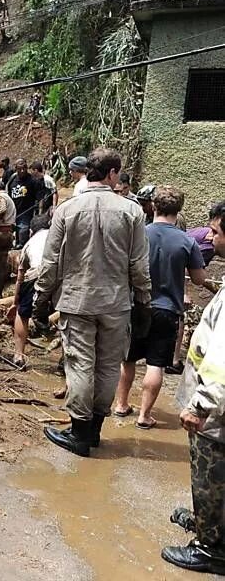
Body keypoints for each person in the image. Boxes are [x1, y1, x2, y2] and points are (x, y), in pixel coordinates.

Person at [36, 147, 150, 457]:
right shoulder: (132, 212)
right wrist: (143, 301)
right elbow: (139, 264)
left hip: (77, 301)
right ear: (113, 174)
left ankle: (80, 434)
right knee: (109, 366)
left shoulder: (67, 210)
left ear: (88, 172)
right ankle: (95, 431)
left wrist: (40, 300)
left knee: (80, 365)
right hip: (117, 303)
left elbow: (50, 263)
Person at [114, 186, 218, 429]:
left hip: (136, 304)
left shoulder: (139, 234)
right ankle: (144, 416)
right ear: (178, 209)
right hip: (168, 308)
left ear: (153, 205)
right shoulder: (187, 241)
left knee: (127, 360)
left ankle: (121, 404)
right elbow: (200, 278)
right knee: (156, 363)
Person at [161, 202, 225, 575]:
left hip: (216, 410)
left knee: (210, 475)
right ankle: (209, 524)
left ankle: (211, 546)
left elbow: (222, 360)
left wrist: (200, 404)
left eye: (216, 231)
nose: (210, 237)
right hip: (216, 402)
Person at [10, 214, 51, 368]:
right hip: (62, 277)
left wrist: (16, 302)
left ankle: (19, 355)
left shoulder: (30, 243)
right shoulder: (59, 236)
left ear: (31, 231)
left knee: (23, 314)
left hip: (37, 274)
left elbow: (20, 275)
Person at [7, 158, 43, 247]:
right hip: (14, 211)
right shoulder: (12, 179)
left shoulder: (33, 181)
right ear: (16, 169)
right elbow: (8, 194)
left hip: (27, 212)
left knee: (23, 232)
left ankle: (22, 247)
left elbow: (40, 199)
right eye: (19, 169)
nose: (22, 171)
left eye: (24, 168)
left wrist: (40, 214)